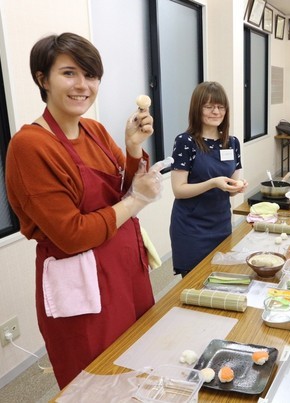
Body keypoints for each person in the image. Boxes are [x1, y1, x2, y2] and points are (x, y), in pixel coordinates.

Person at [5, 33, 163, 388]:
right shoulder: (30, 146)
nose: (83, 85)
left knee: (140, 363)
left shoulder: (94, 131)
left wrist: (132, 148)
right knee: (96, 382)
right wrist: (137, 201)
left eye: (90, 75)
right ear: (43, 79)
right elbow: (72, 234)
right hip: (83, 285)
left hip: (126, 270)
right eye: (69, 73)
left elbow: (120, 192)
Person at [170, 81, 247, 277]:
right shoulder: (186, 141)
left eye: (221, 107)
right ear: (197, 109)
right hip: (191, 228)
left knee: (221, 278)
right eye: (209, 106)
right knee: (194, 282)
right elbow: (179, 190)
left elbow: (230, 187)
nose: (216, 112)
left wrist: (237, 187)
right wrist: (212, 183)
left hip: (221, 222)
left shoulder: (232, 142)